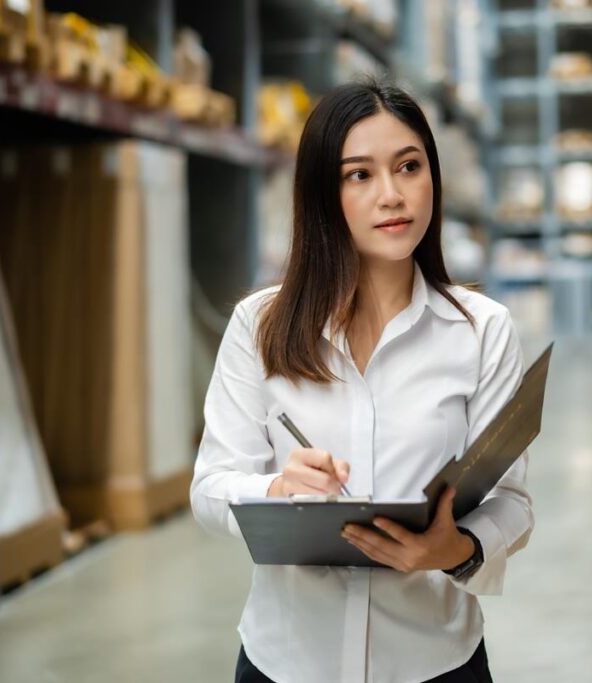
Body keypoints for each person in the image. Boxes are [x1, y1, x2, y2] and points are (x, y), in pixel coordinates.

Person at [190, 79, 535, 683]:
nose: (392, 195)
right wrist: (276, 490)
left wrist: (453, 551)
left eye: (409, 166)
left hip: (435, 660)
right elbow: (210, 488)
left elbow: (511, 501)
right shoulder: (259, 326)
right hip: (287, 660)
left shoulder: (482, 331)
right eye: (360, 175)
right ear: (325, 193)